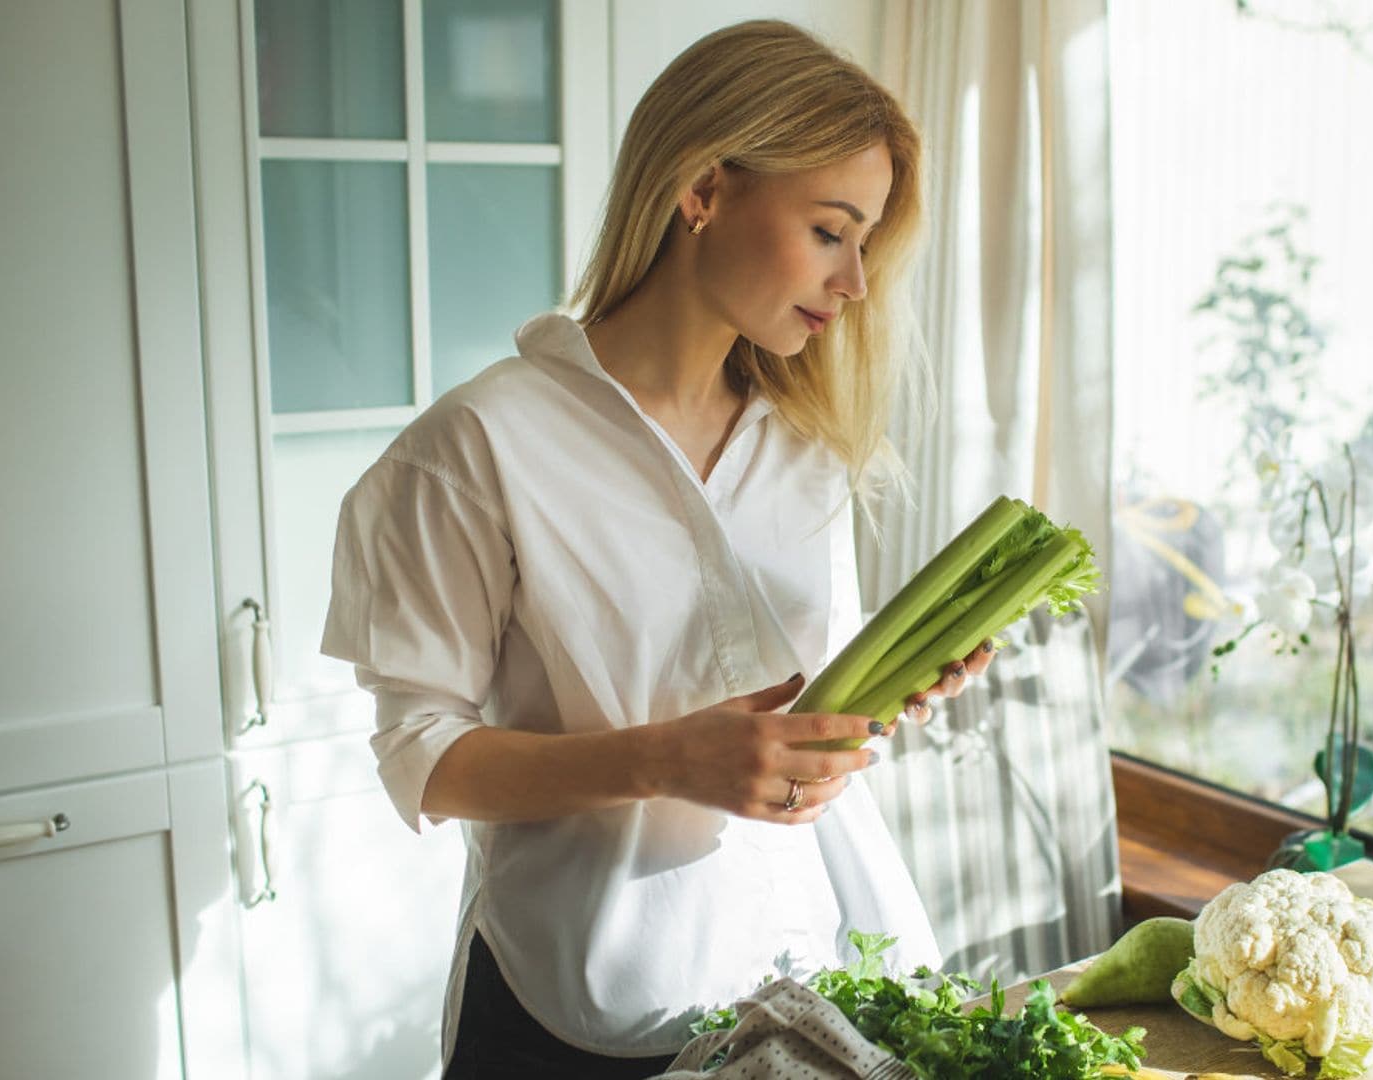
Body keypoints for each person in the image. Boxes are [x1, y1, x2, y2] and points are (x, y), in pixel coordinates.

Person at [320, 19, 992, 1079]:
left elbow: (797, 719)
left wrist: (892, 689)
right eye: (830, 231)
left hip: (804, 993)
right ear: (703, 191)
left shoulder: (806, 445)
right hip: (583, 1018)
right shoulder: (478, 448)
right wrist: (668, 758)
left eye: (866, 242)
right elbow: (424, 759)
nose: (857, 282)